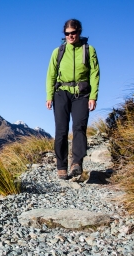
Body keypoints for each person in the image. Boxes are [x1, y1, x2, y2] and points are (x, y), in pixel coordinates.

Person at [46, 19, 100, 179]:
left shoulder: (89, 50)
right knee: (61, 130)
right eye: (67, 34)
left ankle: (76, 163)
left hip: (82, 94)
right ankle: (61, 166)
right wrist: (49, 95)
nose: (70, 36)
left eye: (73, 33)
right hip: (61, 92)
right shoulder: (58, 51)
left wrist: (93, 96)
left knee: (79, 127)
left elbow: (94, 74)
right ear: (64, 34)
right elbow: (51, 75)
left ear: (79, 32)